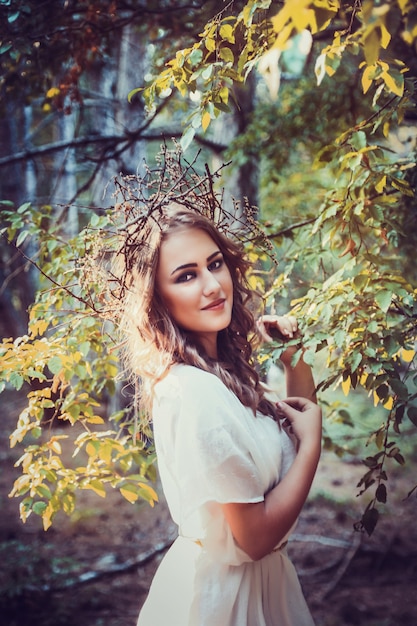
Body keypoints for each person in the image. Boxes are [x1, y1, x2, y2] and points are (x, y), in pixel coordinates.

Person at [117, 204, 321, 626]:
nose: (213, 286)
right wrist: (314, 448)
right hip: (223, 602)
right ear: (158, 299)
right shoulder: (193, 392)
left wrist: (294, 361)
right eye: (186, 275)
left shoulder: (224, 373)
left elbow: (294, 436)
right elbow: (255, 538)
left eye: (215, 264)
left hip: (264, 588)